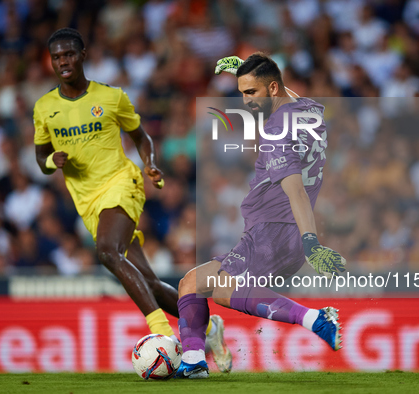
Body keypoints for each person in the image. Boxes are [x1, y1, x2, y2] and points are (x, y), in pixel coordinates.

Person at [33, 28, 231, 372]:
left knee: (108, 253)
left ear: (82, 55)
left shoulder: (111, 98)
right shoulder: (45, 107)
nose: (62, 61)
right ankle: (210, 328)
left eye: (68, 54)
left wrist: (150, 163)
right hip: (87, 201)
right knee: (149, 282)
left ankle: (164, 335)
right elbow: (40, 157)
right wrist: (53, 161)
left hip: (121, 183)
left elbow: (141, 138)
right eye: (56, 57)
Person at [175, 53, 346, 378]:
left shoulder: (276, 132)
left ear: (271, 87)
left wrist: (311, 242)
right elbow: (285, 91)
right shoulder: (307, 109)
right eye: (242, 91)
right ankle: (194, 362)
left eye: (250, 92)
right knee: (192, 283)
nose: (245, 101)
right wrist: (246, 66)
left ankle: (314, 319)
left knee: (223, 291)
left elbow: (294, 189)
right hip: (277, 230)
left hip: (275, 230)